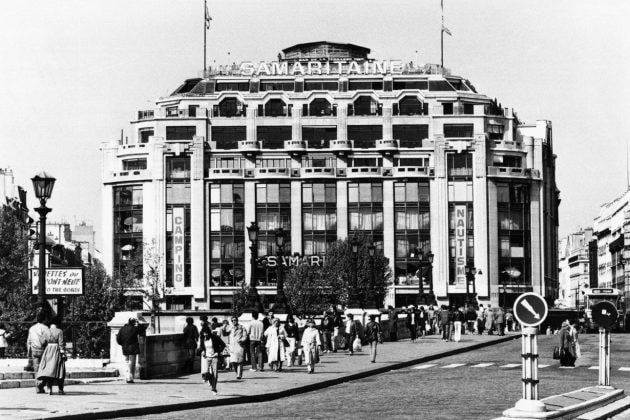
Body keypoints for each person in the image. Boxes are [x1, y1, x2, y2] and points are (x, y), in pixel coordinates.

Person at [37, 318, 66, 395]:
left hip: (48, 350)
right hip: (56, 350)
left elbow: (43, 342)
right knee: (59, 370)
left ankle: (49, 388)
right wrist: (63, 353)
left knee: (49, 370)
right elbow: (61, 343)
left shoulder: (46, 331)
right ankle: (60, 389)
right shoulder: (59, 331)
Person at [27, 312, 51, 393]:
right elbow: (48, 340)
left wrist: (28, 353)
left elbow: (29, 341)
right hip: (43, 350)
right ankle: (41, 384)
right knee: (44, 368)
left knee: (36, 369)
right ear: (44, 319)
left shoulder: (31, 328)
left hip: (34, 350)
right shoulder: (46, 328)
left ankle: (38, 387)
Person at [199, 326, 226, 395]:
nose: (205, 335)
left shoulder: (215, 337)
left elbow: (223, 345)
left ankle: (214, 388)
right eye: (204, 333)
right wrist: (203, 351)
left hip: (214, 357)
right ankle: (211, 384)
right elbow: (201, 347)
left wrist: (218, 352)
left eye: (206, 333)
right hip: (206, 358)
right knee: (207, 373)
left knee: (215, 373)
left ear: (209, 332)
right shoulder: (202, 338)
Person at [116, 317, 143, 383]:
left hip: (125, 348)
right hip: (133, 348)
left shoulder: (122, 329)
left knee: (126, 362)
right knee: (132, 363)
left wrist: (122, 344)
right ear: (134, 322)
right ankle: (130, 378)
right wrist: (139, 323)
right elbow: (142, 330)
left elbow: (118, 339)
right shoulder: (135, 328)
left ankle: (127, 376)